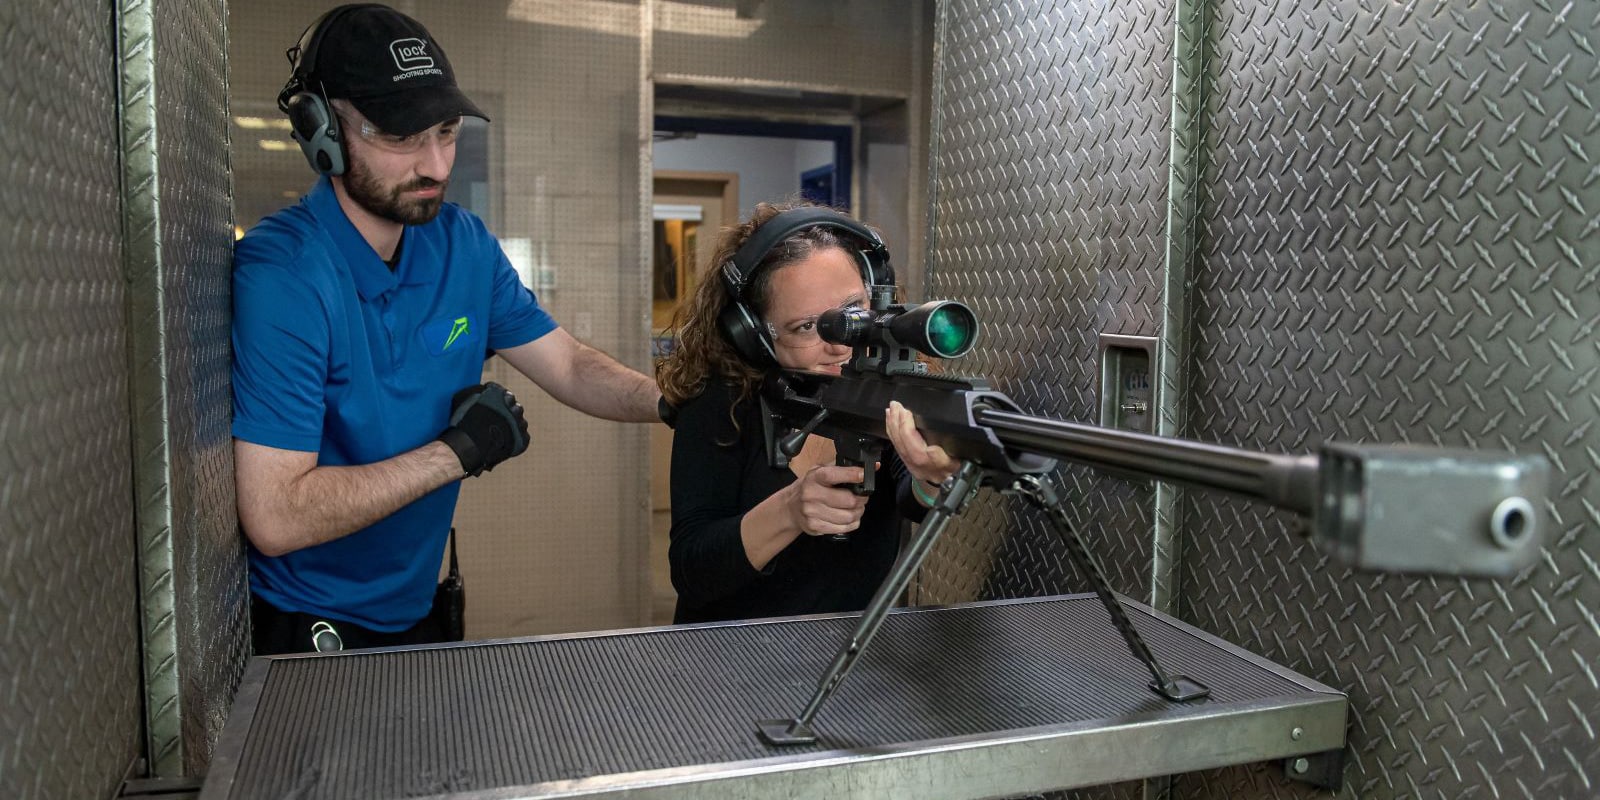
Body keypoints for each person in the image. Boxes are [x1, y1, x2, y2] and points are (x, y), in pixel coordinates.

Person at [232, 4, 661, 655]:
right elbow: (275, 514)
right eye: (400, 137)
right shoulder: (285, 274)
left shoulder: (461, 242)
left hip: (419, 605)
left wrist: (674, 400)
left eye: (447, 129)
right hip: (310, 622)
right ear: (320, 128)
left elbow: (568, 366)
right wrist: (457, 452)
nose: (436, 164)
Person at [656, 202, 957, 624]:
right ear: (753, 335)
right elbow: (693, 573)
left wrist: (932, 477)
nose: (841, 343)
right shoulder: (720, 402)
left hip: (847, 654)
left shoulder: (886, 391)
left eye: (855, 311)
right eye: (807, 327)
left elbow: (914, 497)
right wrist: (790, 511)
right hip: (723, 660)